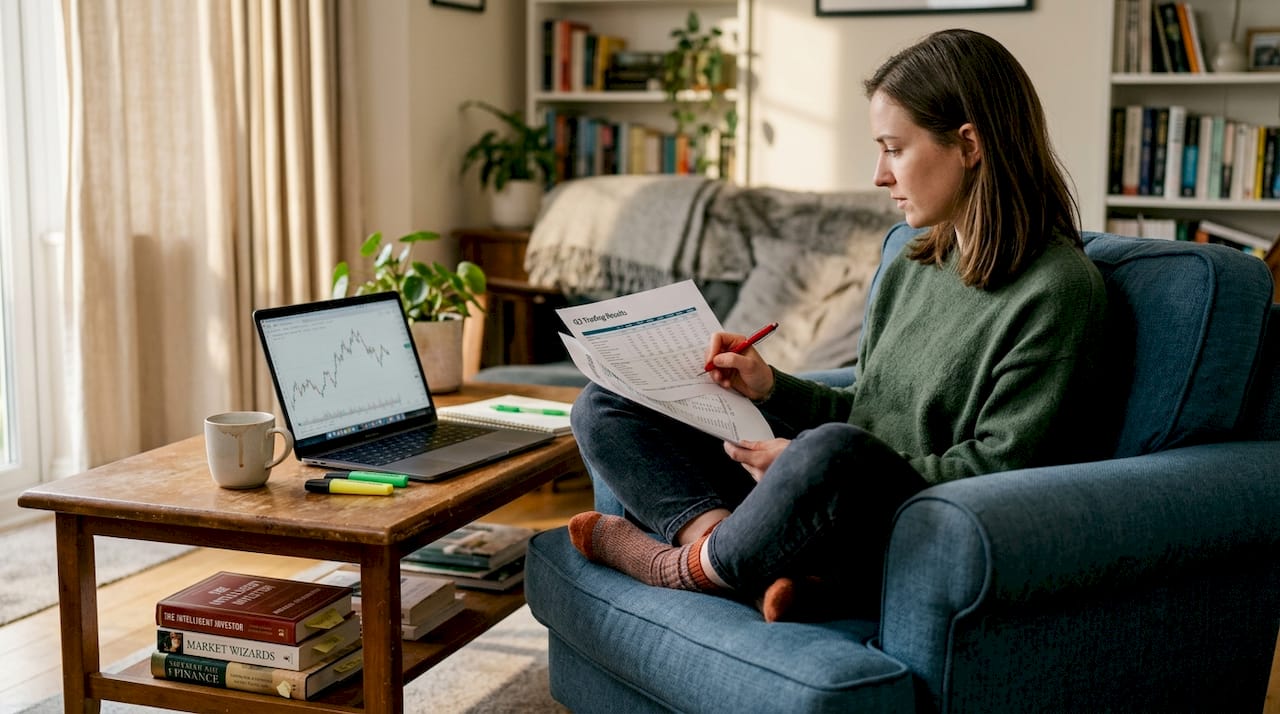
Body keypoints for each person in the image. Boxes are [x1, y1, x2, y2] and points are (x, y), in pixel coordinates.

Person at [566, 28, 1109, 622]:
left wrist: (804, 463)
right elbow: (867, 407)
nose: (879, 174)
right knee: (606, 403)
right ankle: (731, 556)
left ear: (969, 145)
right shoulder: (912, 260)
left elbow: (1000, 471)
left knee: (830, 454)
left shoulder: (1058, 290)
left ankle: (680, 567)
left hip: (896, 516)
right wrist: (769, 386)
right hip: (816, 497)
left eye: (894, 149)